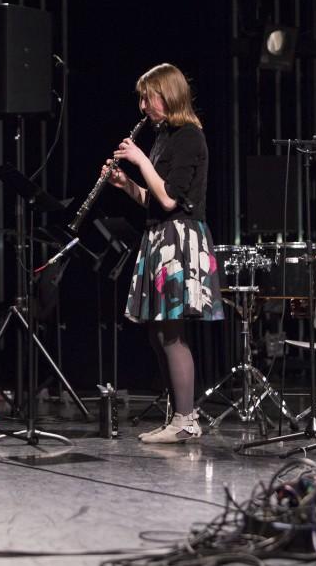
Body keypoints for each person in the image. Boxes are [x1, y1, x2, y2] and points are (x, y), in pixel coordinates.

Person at [102, 63, 224, 444]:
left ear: (167, 95)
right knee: (158, 333)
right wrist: (125, 185)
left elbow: (171, 198)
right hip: (160, 235)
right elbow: (153, 200)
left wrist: (138, 160)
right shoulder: (163, 138)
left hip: (179, 240)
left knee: (171, 333)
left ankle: (187, 420)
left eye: (147, 97)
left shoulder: (189, 136)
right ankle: (178, 416)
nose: (142, 106)